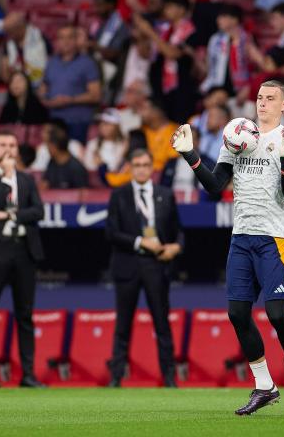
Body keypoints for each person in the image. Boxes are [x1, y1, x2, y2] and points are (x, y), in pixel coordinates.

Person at [171, 79, 284, 415]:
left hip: (275, 237)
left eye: (270, 98)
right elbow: (217, 185)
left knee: (277, 314)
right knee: (237, 313)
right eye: (259, 97)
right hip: (242, 236)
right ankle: (264, 386)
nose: (262, 103)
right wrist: (190, 154)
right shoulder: (237, 134)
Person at [0, 130, 45, 388]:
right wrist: (5, 178)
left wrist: (10, 215)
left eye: (12, 145)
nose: (8, 149)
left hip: (24, 250)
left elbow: (39, 211)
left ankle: (28, 374)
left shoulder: (26, 179)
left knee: (25, 315)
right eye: (2, 144)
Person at [106, 148, 183, 388]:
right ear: (129, 167)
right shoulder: (119, 195)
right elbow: (111, 232)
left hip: (156, 265)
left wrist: (176, 247)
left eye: (145, 165)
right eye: (136, 164)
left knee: (162, 323)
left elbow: (178, 231)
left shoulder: (165, 194)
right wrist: (141, 242)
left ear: (152, 168)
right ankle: (116, 377)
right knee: (123, 324)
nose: (140, 169)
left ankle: (169, 378)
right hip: (128, 263)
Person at [133, 0, 198, 123]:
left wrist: (150, 32)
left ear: (181, 10)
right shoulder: (166, 30)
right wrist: (142, 36)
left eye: (170, 7)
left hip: (183, 88)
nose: (166, 11)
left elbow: (172, 53)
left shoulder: (190, 30)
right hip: (164, 87)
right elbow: (146, 54)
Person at [39, 25, 102, 143]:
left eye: (70, 37)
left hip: (78, 122)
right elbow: (43, 89)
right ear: (57, 41)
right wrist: (47, 101)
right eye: (61, 38)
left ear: (76, 40)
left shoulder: (87, 63)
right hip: (55, 121)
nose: (66, 42)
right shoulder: (51, 63)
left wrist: (70, 100)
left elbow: (96, 95)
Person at [199, 3, 251, 98]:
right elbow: (209, 66)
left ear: (235, 19)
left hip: (238, 87)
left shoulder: (246, 38)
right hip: (216, 84)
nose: (218, 20)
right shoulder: (215, 39)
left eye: (223, 17)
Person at [0, 12, 50, 88]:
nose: (8, 35)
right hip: (18, 86)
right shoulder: (8, 44)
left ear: (20, 28)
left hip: (39, 84)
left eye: (10, 31)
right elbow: (5, 74)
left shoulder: (40, 38)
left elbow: (51, 63)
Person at [108, 25, 151, 106]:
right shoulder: (128, 44)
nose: (134, 30)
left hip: (139, 91)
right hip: (125, 91)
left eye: (138, 28)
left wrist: (142, 36)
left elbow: (145, 53)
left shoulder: (147, 44)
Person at [42, 124, 89, 189]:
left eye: (48, 145)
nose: (47, 148)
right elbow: (44, 184)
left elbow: (83, 194)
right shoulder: (52, 162)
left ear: (53, 147)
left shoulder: (76, 168)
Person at [139, 96, 179, 171]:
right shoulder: (141, 131)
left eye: (144, 109)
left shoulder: (176, 133)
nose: (140, 113)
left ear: (158, 111)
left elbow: (171, 164)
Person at [90, 0, 131, 65]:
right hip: (98, 63)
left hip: (112, 67)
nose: (96, 9)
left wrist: (93, 46)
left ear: (110, 5)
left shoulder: (121, 26)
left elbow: (114, 54)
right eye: (96, 5)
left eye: (100, 5)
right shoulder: (104, 24)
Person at [84, 108, 127, 172]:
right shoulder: (92, 143)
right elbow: (88, 165)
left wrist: (101, 163)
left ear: (116, 126)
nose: (102, 126)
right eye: (101, 123)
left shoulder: (122, 144)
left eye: (107, 123)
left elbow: (115, 168)